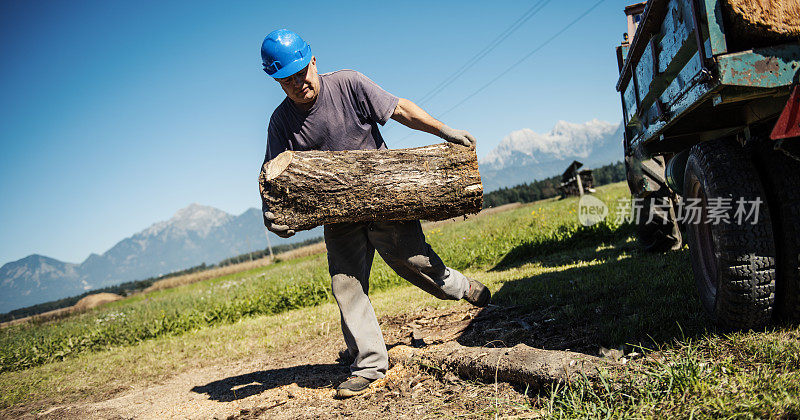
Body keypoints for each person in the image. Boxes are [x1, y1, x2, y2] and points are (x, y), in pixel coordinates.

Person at [259, 29, 491, 398]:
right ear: (275, 80)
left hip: (384, 198)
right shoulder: (281, 122)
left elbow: (398, 108)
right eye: (286, 80)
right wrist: (273, 214)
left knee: (414, 262)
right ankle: (369, 364)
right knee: (346, 285)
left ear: (313, 61)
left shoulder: (349, 84)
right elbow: (274, 177)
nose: (297, 83)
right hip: (338, 217)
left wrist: (443, 130)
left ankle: (463, 288)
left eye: (301, 73)